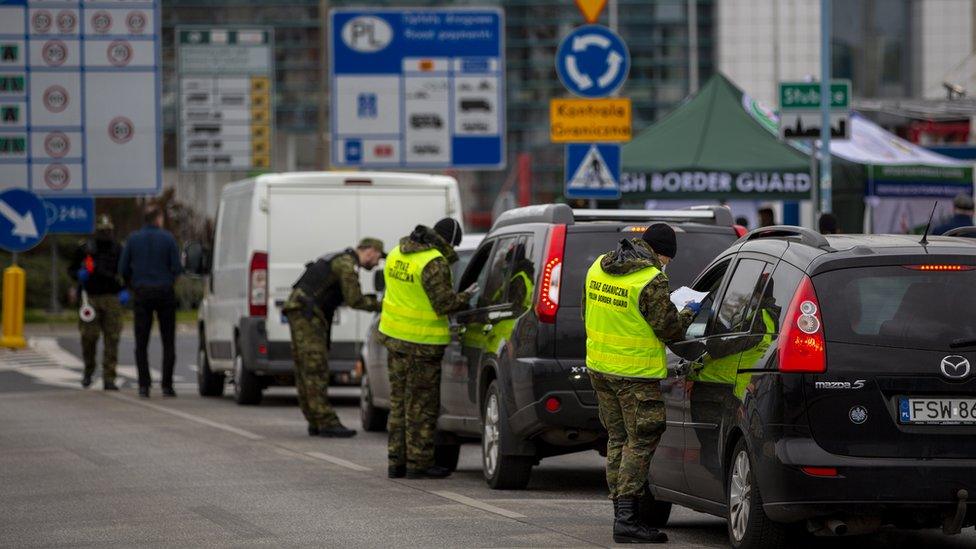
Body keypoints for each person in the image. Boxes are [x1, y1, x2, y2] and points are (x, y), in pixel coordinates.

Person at [582, 224, 697, 544]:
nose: (666, 265)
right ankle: (628, 519)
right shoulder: (650, 279)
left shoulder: (598, 266)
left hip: (600, 369)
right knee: (641, 441)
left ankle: (621, 514)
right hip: (636, 375)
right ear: (661, 253)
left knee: (617, 439)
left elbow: (586, 312)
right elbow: (670, 329)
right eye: (667, 260)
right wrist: (688, 312)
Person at [379, 218, 476, 480]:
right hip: (422, 345)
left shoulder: (396, 253)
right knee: (421, 406)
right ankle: (419, 464)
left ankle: (396, 462)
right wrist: (468, 295)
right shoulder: (433, 261)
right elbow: (443, 304)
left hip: (394, 339)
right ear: (448, 240)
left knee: (399, 403)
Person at [281, 238, 385, 438]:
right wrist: (384, 304)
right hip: (307, 314)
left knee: (306, 366)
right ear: (370, 251)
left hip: (302, 311)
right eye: (378, 257)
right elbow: (355, 300)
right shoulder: (347, 264)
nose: (377, 262)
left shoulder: (340, 258)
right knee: (314, 367)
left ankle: (315, 419)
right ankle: (326, 421)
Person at [118, 206, 182, 398]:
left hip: (142, 293)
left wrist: (133, 285)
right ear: (158, 219)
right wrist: (169, 282)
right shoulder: (168, 238)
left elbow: (123, 268)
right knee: (168, 340)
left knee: (141, 341)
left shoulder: (133, 239)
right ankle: (167, 385)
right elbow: (177, 268)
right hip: (164, 293)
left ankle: (144, 386)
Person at [68, 215, 126, 390]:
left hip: (112, 297)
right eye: (103, 230)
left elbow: (125, 271)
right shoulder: (85, 249)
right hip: (90, 297)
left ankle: (109, 377)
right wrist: (79, 274)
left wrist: (125, 290)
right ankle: (88, 370)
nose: (106, 233)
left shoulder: (118, 249)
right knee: (89, 337)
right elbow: (71, 269)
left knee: (112, 338)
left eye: (108, 230)